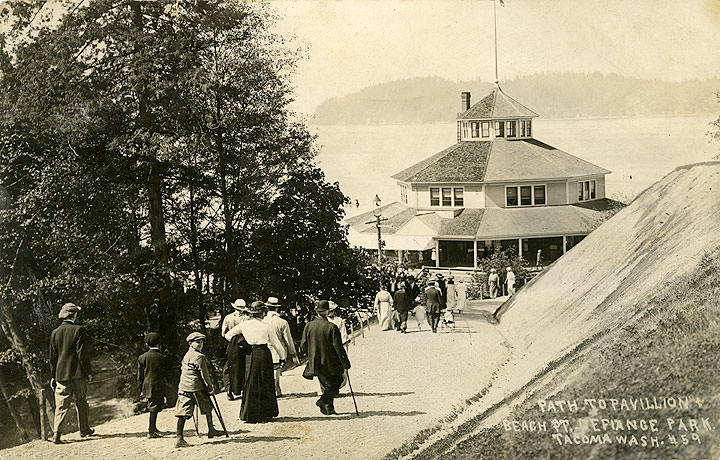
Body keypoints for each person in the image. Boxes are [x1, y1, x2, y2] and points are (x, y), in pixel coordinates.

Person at [225, 301, 281, 423]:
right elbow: (276, 343)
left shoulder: (245, 325)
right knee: (265, 381)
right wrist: (282, 357)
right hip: (264, 354)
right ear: (262, 313)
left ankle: (249, 414)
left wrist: (243, 342)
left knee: (250, 381)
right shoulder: (266, 326)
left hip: (250, 354)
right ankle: (266, 412)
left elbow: (228, 335)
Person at [49, 303, 95, 444]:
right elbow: (82, 355)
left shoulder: (55, 332)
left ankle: (56, 434)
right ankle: (84, 429)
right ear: (73, 315)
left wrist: (53, 376)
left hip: (61, 375)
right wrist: (88, 372)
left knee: (61, 405)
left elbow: (52, 358)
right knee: (81, 401)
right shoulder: (78, 330)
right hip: (78, 374)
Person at [301, 300, 351, 415]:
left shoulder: (309, 326)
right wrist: (345, 362)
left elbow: (303, 345)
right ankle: (323, 401)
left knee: (327, 384)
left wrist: (310, 354)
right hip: (330, 361)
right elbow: (338, 347)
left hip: (315, 360)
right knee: (337, 381)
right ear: (328, 311)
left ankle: (329, 408)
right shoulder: (331, 327)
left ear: (317, 312)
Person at [174, 332, 222, 448]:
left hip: (184, 386)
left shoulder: (187, 355)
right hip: (195, 387)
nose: (200, 345)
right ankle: (211, 430)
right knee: (207, 405)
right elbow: (204, 374)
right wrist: (210, 387)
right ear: (191, 343)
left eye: (201, 342)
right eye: (197, 342)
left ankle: (179, 438)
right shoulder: (200, 357)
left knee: (183, 411)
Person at [263, 297, 298, 397]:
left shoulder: (262, 321)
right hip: (277, 351)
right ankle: (276, 389)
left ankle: (271, 390)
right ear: (277, 308)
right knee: (276, 370)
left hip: (264, 349)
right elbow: (288, 339)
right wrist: (293, 353)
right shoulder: (282, 322)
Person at [137, 332, 169, 438]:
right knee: (154, 407)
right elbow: (164, 373)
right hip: (158, 385)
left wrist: (140, 389)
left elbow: (140, 376)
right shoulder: (161, 357)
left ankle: (153, 428)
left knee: (153, 406)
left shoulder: (142, 357)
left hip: (147, 385)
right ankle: (151, 431)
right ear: (159, 343)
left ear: (147, 344)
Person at [223, 299, 249, 401]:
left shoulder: (228, 318)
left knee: (229, 366)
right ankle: (241, 389)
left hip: (231, 343)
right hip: (243, 343)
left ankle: (229, 390)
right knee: (242, 365)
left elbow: (223, 333)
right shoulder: (246, 319)